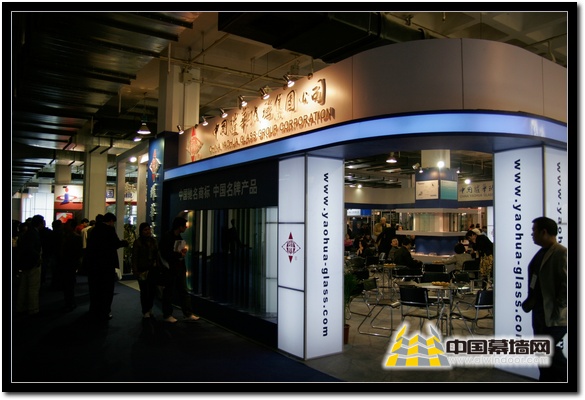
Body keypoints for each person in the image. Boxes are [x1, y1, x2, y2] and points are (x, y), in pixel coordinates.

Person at [521, 216, 567, 382]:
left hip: (553, 317)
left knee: (551, 353)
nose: (532, 234)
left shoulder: (561, 253)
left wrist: (558, 309)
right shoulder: (541, 252)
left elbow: (566, 286)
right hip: (539, 313)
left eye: (534, 230)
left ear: (544, 232)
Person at [85, 212, 129, 321]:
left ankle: (94, 310)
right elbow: (115, 244)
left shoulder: (93, 230)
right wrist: (124, 243)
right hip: (107, 265)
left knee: (95, 290)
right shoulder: (109, 230)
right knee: (107, 290)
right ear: (111, 221)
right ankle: (104, 312)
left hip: (94, 265)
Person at [159, 216, 200, 323]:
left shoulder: (176, 237)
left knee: (182, 290)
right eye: (184, 225)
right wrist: (178, 254)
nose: (186, 227)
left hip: (178, 267)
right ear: (179, 226)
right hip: (170, 268)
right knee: (169, 291)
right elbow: (165, 253)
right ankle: (168, 314)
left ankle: (186, 313)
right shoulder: (168, 237)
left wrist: (181, 254)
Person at [16, 215, 45, 316]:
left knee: (23, 287)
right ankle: (33, 308)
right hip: (33, 263)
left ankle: (20, 307)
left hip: (25, 263)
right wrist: (38, 258)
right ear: (40, 223)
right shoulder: (34, 234)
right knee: (33, 287)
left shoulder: (27, 233)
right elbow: (32, 249)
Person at [131, 222, 160, 319]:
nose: (148, 231)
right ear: (141, 231)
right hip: (142, 269)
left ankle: (149, 308)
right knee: (144, 291)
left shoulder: (153, 241)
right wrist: (135, 271)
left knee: (152, 290)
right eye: (145, 230)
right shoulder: (138, 242)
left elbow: (157, 254)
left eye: (148, 229)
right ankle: (145, 310)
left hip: (152, 269)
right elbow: (134, 257)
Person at [59, 218, 83, 311]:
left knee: (69, 284)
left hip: (70, 263)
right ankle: (69, 302)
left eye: (67, 224)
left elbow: (78, 252)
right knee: (67, 284)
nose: (65, 225)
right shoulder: (67, 235)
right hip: (67, 262)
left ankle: (70, 302)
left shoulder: (74, 237)